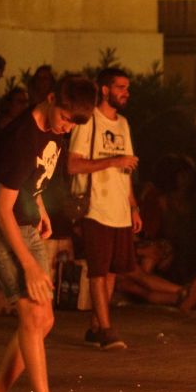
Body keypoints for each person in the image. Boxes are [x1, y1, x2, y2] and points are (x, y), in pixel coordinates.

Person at [0, 74, 97, 392]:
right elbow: (0, 209)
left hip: (22, 216)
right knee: (30, 312)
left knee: (44, 319)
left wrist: (37, 204)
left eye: (74, 123)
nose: (67, 127)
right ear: (51, 98)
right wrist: (26, 264)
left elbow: (28, 180)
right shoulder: (22, 138)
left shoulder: (54, 127)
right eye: (67, 118)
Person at [67, 67, 141, 351]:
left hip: (119, 207)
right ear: (105, 89)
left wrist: (133, 206)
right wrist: (112, 161)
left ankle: (97, 325)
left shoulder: (123, 123)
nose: (126, 93)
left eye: (127, 88)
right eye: (121, 87)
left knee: (112, 270)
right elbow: (73, 164)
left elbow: (128, 168)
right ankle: (107, 329)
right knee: (98, 270)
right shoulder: (89, 122)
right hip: (95, 206)